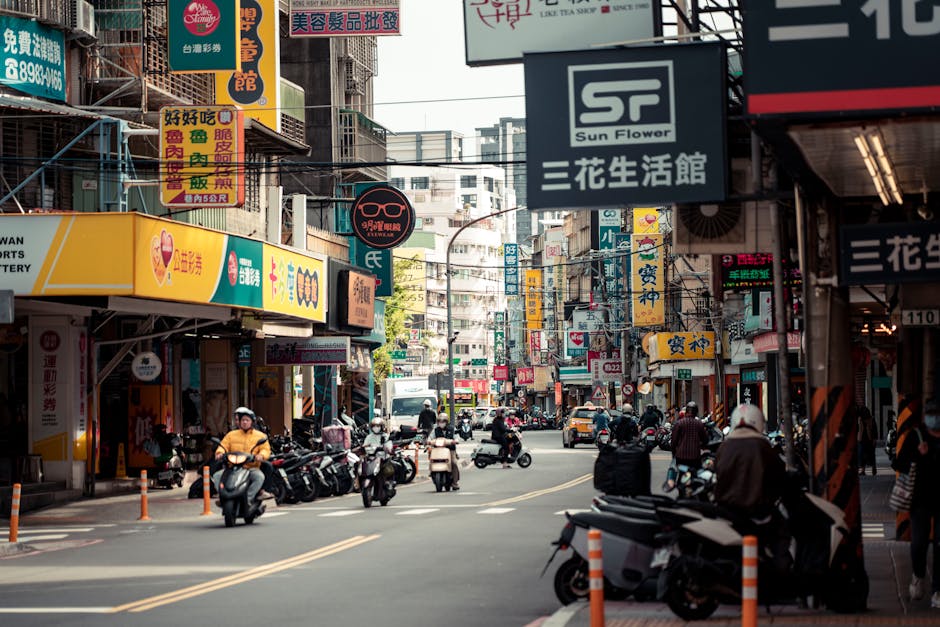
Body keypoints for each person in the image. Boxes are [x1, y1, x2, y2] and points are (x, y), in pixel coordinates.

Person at [893, 402, 940, 607]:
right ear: (925, 416)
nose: (934, 418)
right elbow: (898, 463)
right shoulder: (916, 436)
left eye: (937, 414)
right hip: (920, 499)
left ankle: (937, 590)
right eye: (931, 413)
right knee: (919, 542)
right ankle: (918, 575)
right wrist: (917, 455)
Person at [213, 407, 274, 505]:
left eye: (247, 420)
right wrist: (219, 453)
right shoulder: (231, 435)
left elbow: (265, 449)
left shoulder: (260, 436)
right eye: (242, 420)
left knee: (259, 477)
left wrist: (261, 456)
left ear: (252, 422)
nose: (244, 422)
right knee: (217, 476)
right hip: (233, 467)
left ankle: (249, 499)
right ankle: (223, 498)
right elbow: (223, 446)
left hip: (251, 467)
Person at [671, 401, 708, 468]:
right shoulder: (699, 424)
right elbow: (705, 440)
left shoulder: (679, 423)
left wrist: (674, 453)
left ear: (686, 411)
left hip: (681, 457)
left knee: (680, 473)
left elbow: (674, 441)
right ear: (696, 412)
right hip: (695, 457)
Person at [429, 412, 460, 489]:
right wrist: (428, 441)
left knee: (454, 463)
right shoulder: (435, 430)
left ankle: (455, 482)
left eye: (443, 421)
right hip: (438, 450)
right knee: (432, 460)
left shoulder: (452, 429)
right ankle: (432, 472)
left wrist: (455, 441)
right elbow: (430, 437)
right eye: (440, 421)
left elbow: (456, 437)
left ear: (446, 422)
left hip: (450, 450)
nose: (441, 423)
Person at [857, 405, 877, 475]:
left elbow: (874, 430)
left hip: (868, 439)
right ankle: (863, 470)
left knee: (870, 455)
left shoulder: (871, 419)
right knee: (862, 455)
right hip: (862, 439)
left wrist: (874, 439)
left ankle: (873, 467)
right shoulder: (859, 419)